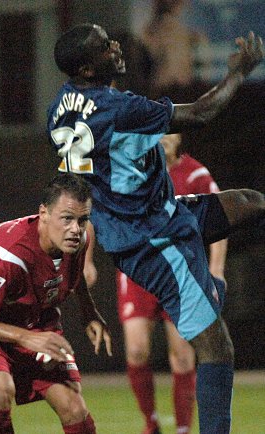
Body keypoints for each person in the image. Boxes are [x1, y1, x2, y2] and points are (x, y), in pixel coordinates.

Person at [47, 23, 265, 433]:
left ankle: (207, 287)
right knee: (217, 348)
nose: (115, 47)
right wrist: (239, 71)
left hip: (162, 214)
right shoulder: (118, 108)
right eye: (103, 47)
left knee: (250, 203)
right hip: (152, 238)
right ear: (88, 69)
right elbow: (201, 113)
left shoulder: (58, 108)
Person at [0, 172, 112, 434]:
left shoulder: (79, 239)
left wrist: (90, 312)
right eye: (67, 219)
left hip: (35, 326)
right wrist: (25, 337)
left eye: (82, 219)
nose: (76, 228)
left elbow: (75, 275)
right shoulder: (5, 258)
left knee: (74, 406)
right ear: (44, 213)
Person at [116, 133, 228, 434]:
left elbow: (220, 219)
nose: (162, 138)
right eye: (157, 132)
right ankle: (150, 422)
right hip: (139, 269)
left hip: (181, 272)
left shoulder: (195, 174)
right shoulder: (132, 169)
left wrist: (216, 271)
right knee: (137, 349)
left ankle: (182, 428)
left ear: (180, 138)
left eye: (170, 131)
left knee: (181, 354)